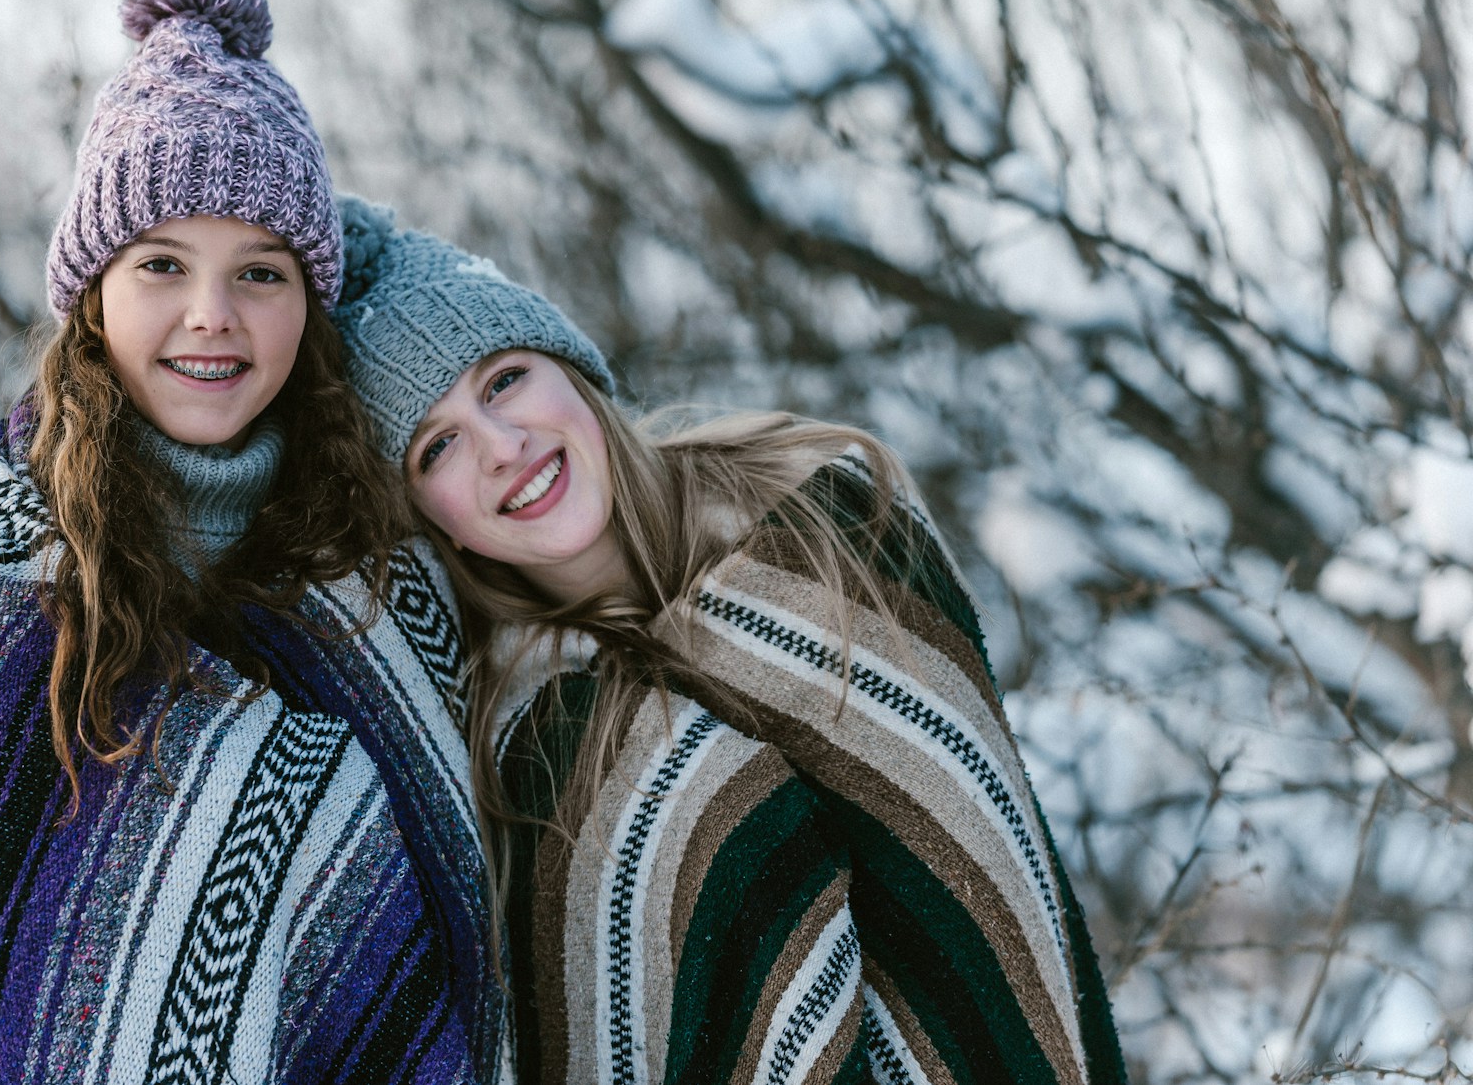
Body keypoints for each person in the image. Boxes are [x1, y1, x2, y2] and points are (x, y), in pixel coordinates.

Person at [0, 0, 501, 1085]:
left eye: (262, 272)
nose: (213, 318)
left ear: (312, 302)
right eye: (162, 264)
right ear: (93, 294)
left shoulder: (385, 576)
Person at [331, 201, 1128, 1085]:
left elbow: (994, 891)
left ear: (573, 370)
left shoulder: (830, 532)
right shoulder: (538, 757)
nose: (503, 446)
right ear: (430, 524)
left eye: (504, 381)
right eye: (437, 447)